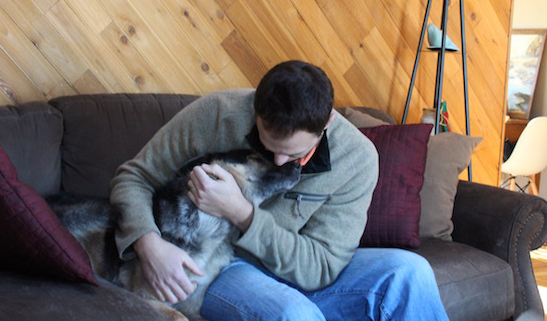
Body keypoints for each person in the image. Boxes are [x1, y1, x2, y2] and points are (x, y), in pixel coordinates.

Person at [110, 60, 449, 320]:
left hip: (301, 265)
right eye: (269, 145)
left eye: (295, 153)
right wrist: (148, 245)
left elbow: (322, 266)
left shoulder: (357, 159)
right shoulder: (217, 113)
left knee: (410, 273)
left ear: (327, 123)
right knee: (294, 315)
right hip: (224, 263)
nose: (279, 160)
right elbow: (133, 177)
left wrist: (240, 212)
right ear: (255, 108)